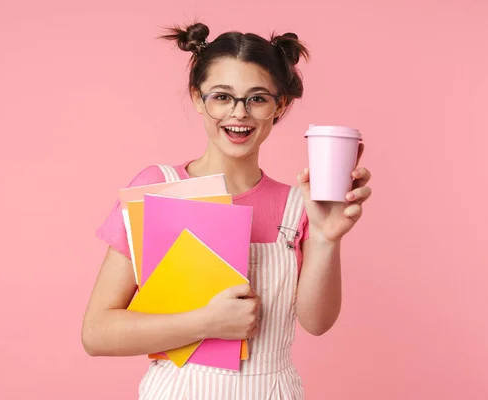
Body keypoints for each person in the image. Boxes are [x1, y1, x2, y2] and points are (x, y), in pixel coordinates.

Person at [82, 21, 372, 399]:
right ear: (197, 97)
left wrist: (326, 236)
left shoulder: (299, 204)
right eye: (222, 96)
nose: (239, 113)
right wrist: (206, 322)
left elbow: (316, 323)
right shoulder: (159, 189)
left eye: (257, 98)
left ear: (278, 104)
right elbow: (97, 333)